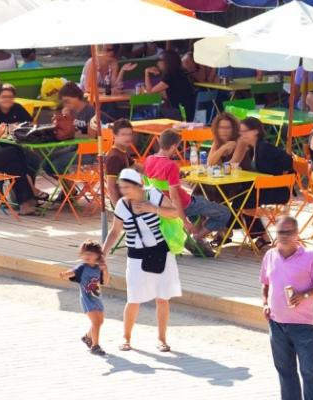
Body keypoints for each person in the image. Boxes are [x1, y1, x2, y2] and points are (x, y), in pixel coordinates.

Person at [100, 169, 183, 353]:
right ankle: (126, 337)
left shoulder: (153, 194)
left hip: (161, 252)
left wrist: (152, 208)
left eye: (127, 187)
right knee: (134, 299)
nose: (124, 192)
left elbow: (175, 212)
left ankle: (162, 339)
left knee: (163, 298)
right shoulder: (122, 205)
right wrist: (103, 254)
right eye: (122, 188)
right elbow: (115, 232)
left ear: (138, 185)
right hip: (136, 255)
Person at [261, 216, 313, 400]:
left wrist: (304, 295)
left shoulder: (310, 257)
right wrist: (265, 303)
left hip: (303, 325)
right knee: (285, 372)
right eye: (280, 232)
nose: (283, 236)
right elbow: (265, 284)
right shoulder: (270, 255)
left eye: (288, 232)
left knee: (308, 372)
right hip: (276, 324)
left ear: (297, 234)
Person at [143, 129, 232, 249]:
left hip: (159, 203)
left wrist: (177, 176)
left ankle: (197, 234)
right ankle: (196, 238)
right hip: (185, 205)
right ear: (174, 146)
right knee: (225, 212)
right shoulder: (171, 165)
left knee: (200, 201)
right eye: (178, 146)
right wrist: (184, 222)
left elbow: (153, 184)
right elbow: (175, 197)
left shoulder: (149, 160)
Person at [58, 240, 109, 356]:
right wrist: (64, 274)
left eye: (91, 253)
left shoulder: (98, 268)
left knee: (100, 321)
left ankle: (87, 337)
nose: (87, 256)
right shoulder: (82, 267)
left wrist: (105, 270)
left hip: (97, 298)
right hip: (87, 299)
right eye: (85, 253)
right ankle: (95, 346)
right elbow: (72, 272)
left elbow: (105, 281)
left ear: (97, 255)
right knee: (96, 322)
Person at [144, 50, 197, 121]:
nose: (157, 63)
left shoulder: (170, 75)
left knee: (153, 111)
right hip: (191, 112)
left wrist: (146, 72)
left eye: (159, 60)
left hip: (180, 113)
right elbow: (168, 93)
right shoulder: (182, 72)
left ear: (167, 61)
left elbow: (150, 92)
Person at [104, 119, 138, 205]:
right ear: (115, 135)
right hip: (121, 202)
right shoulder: (114, 157)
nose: (127, 137)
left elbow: (136, 166)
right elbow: (111, 187)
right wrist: (118, 209)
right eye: (123, 134)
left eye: (129, 134)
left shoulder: (123, 151)